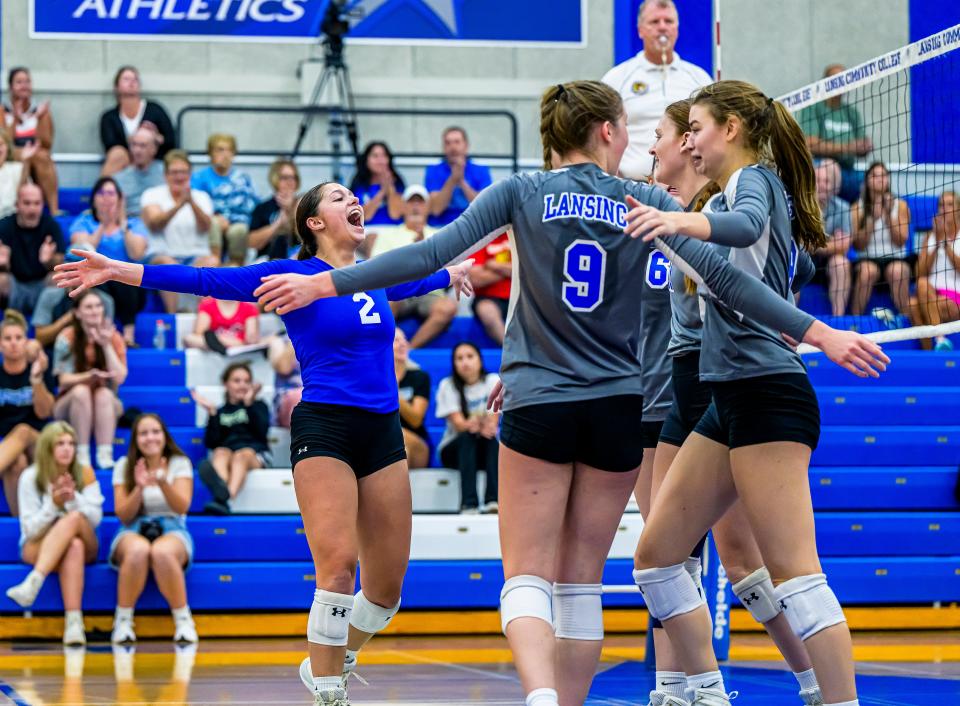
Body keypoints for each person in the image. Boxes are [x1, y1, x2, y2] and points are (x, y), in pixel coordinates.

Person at [249, 80, 885, 706]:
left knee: (531, 577)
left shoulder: (522, 192)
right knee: (595, 581)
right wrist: (819, 330)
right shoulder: (643, 202)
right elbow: (726, 279)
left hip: (543, 396)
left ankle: (551, 696)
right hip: (619, 404)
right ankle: (702, 687)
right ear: (607, 132)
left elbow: (426, 256)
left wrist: (327, 285)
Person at [53, 182, 474, 706]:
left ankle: (331, 656)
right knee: (339, 568)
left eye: (352, 195)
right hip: (325, 425)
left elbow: (412, 283)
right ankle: (328, 691)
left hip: (383, 429)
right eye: (339, 197)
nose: (352, 201)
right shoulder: (292, 274)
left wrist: (449, 275)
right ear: (314, 222)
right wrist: (120, 270)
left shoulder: (375, 276)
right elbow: (205, 278)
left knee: (385, 593)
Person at [624, 79, 878, 706]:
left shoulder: (754, 182)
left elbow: (742, 230)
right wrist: (671, 220)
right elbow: (733, 283)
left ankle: (833, 697)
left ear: (730, 129)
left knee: (795, 573)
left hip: (767, 390)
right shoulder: (718, 194)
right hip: (727, 395)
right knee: (656, 557)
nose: (689, 141)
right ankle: (700, 689)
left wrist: (680, 217)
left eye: (698, 128)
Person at [645, 98, 822, 706]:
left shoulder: (722, 206)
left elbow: (754, 281)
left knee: (736, 558)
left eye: (670, 135)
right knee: (671, 552)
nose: (659, 148)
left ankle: (783, 680)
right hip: (686, 382)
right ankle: (684, 685)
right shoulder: (687, 214)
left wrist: (812, 329)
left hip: (713, 379)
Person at [5, 421, 103, 646]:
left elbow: (95, 518)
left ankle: (34, 581)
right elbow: (29, 529)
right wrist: (52, 504)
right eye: (60, 443)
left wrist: (71, 501)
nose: (67, 448)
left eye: (71, 443)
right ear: (47, 448)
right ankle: (74, 623)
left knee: (76, 520)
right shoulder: (31, 476)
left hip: (86, 539)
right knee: (73, 547)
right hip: (38, 544)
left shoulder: (85, 473)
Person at [109, 412, 197, 644]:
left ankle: (183, 620)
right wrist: (138, 488)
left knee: (162, 552)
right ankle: (123, 621)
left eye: (155, 432)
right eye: (144, 433)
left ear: (164, 435)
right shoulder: (123, 466)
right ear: (136, 439)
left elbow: (181, 507)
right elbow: (123, 514)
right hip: (133, 526)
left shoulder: (180, 463)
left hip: (172, 525)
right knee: (138, 551)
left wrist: (162, 482)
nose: (150, 438)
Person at [601, 0, 712, 180]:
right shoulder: (617, 78)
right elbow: (600, 132)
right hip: (630, 187)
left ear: (677, 28)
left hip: (687, 191)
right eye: (654, 22)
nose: (662, 28)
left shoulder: (699, 78)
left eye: (668, 22)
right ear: (640, 30)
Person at [368, 185, 457, 349]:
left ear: (428, 207)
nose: (415, 206)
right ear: (403, 206)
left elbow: (450, 270)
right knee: (385, 301)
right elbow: (376, 268)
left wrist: (425, 255)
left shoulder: (441, 235)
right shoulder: (388, 235)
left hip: (430, 291)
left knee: (448, 307)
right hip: (397, 291)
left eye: (420, 202)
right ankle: (383, 348)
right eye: (411, 202)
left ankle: (409, 349)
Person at [52, 290, 128, 469]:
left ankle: (105, 454)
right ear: (77, 313)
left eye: (98, 306)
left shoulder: (113, 336)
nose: (94, 311)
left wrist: (106, 345)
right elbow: (62, 380)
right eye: (88, 307)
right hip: (69, 403)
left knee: (102, 394)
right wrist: (89, 376)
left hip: (106, 403)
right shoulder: (66, 337)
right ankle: (81, 454)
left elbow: (120, 377)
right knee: (81, 391)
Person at [69, 177, 149, 345]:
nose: (107, 198)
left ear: (120, 199)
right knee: (99, 280)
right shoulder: (84, 222)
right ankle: (99, 335)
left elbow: (136, 253)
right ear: (94, 199)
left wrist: (123, 224)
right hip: (97, 281)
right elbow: (83, 249)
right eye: (102, 193)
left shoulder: (134, 224)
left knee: (125, 277)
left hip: (128, 283)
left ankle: (128, 336)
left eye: (111, 193)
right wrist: (103, 224)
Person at [141, 151, 219, 313]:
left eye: (183, 172)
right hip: (164, 255)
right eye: (174, 172)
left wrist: (191, 203)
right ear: (165, 175)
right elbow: (155, 224)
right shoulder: (152, 195)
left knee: (212, 262)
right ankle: (174, 315)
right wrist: (179, 205)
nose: (179, 177)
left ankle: (204, 318)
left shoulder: (201, 197)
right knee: (168, 265)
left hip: (196, 256)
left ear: (190, 174)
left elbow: (206, 226)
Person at [193, 362, 271, 515]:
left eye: (247, 381)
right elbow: (211, 443)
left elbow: (262, 433)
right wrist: (212, 414)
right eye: (237, 381)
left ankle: (225, 498)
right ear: (226, 384)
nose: (242, 385)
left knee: (242, 454)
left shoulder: (259, 405)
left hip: (255, 454)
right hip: (229, 454)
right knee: (220, 451)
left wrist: (249, 404)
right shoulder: (220, 411)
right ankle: (221, 492)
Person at [435, 342, 500, 513]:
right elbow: (459, 425)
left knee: (491, 439)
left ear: (480, 360)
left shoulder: (493, 381)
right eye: (459, 358)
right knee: (468, 437)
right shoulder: (447, 385)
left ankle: (493, 501)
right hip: (453, 451)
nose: (465, 362)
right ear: (454, 364)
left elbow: (492, 424)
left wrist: (479, 425)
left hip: (485, 449)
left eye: (470, 356)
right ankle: (469, 503)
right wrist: (478, 424)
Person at [0, 309, 54, 515]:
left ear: (26, 342)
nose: (13, 343)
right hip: (8, 446)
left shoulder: (39, 369)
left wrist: (36, 381)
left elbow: (44, 413)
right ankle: (21, 523)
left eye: (18, 338)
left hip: (38, 442)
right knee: (16, 463)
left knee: (23, 430)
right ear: (0, 344)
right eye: (7, 338)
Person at [799, 65, 872, 203]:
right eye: (835, 79)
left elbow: (861, 145)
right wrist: (847, 148)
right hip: (819, 167)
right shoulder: (813, 107)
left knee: (873, 179)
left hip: (848, 169)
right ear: (824, 82)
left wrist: (865, 146)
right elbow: (810, 143)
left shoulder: (852, 113)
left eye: (843, 79)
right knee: (830, 168)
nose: (839, 83)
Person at [849, 161, 912, 317]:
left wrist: (889, 214)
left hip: (896, 257)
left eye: (883, 175)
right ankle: (856, 321)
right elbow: (858, 246)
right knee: (867, 271)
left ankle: (906, 320)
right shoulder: (857, 207)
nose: (880, 179)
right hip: (867, 258)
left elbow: (901, 240)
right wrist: (871, 218)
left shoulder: (901, 205)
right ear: (867, 181)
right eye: (874, 175)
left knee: (898, 271)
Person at [191, 134, 259, 264]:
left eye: (229, 150)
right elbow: (194, 203)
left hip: (238, 221)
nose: (226, 154)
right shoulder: (199, 178)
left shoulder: (242, 178)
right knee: (214, 223)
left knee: (239, 231)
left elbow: (254, 204)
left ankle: (236, 268)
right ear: (210, 153)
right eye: (220, 150)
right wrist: (214, 215)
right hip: (209, 221)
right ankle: (214, 263)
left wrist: (234, 219)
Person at [0, 182, 65, 317]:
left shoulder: (51, 225)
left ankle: (49, 323)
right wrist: (3, 265)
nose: (32, 209)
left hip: (41, 285)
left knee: (59, 279)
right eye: (27, 203)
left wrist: (49, 261)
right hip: (15, 284)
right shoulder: (4, 226)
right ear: (17, 205)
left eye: (37, 203)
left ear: (43, 205)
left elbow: (60, 263)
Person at [1, 67, 59, 214]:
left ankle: (54, 210)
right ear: (11, 87)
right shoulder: (3, 110)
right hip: (11, 154)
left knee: (42, 156)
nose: (24, 85)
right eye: (19, 82)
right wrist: (14, 118)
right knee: (29, 154)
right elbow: (3, 142)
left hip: (36, 155)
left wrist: (39, 120)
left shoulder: (40, 112)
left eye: (27, 81)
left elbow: (46, 143)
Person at [100, 66, 176, 176]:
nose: (131, 82)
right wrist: (136, 138)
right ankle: (104, 192)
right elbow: (110, 146)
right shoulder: (109, 117)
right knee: (117, 154)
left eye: (135, 79)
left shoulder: (155, 109)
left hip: (154, 160)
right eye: (126, 79)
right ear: (116, 87)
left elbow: (172, 141)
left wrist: (155, 138)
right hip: (124, 164)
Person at [911, 191, 960, 351]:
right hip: (930, 293)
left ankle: (933, 349)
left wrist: (945, 244)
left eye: (949, 204)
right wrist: (938, 240)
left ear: (958, 209)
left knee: (915, 304)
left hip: (954, 296)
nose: (944, 209)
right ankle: (938, 344)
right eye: (941, 205)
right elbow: (920, 272)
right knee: (917, 293)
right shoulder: (930, 236)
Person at [425, 127, 492, 226]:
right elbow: (436, 209)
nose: (452, 147)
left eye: (457, 142)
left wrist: (461, 182)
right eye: (448, 143)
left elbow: (485, 208)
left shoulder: (481, 171)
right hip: (440, 228)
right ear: (443, 147)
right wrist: (452, 180)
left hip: (473, 227)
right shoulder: (433, 171)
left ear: (466, 146)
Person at [814, 159, 853, 317]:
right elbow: (799, 244)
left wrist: (815, 245)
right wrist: (831, 243)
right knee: (790, 261)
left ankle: (839, 318)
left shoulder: (843, 207)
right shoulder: (801, 204)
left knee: (841, 263)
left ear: (833, 186)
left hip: (827, 263)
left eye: (827, 181)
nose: (822, 185)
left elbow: (844, 247)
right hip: (803, 260)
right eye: (818, 180)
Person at [183, 280, 260, 354]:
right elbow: (200, 333)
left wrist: (219, 339)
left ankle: (219, 346)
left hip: (237, 346)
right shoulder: (208, 304)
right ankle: (220, 347)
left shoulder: (249, 307)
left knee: (261, 341)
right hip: (222, 344)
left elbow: (250, 340)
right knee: (189, 338)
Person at [393, 329, 431, 470]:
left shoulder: (419, 377)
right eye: (396, 340)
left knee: (396, 440)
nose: (403, 344)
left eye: (404, 339)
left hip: (417, 441)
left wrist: (394, 393)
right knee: (401, 452)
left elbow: (416, 420)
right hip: (385, 442)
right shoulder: (372, 378)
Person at [249, 158, 300, 260]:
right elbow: (252, 243)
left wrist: (291, 210)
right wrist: (277, 225)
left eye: (293, 177)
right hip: (266, 259)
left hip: (297, 256)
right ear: (275, 179)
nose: (290, 182)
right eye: (285, 178)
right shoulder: (263, 208)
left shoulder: (302, 204)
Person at [469, 231, 512, 346]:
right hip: (487, 297)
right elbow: (476, 279)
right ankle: (510, 350)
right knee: (487, 311)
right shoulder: (480, 240)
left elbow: (528, 270)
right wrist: (511, 270)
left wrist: (494, 265)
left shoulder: (520, 236)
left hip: (520, 296)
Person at [113, 125, 165, 218]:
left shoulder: (167, 173)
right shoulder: (118, 179)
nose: (137, 150)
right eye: (134, 145)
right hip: (130, 224)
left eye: (143, 146)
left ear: (154, 149)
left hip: (159, 223)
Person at [349, 141, 404, 226]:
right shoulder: (359, 184)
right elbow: (363, 217)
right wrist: (382, 192)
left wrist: (390, 187)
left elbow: (396, 215)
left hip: (394, 231)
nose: (380, 161)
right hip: (366, 232)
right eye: (375, 156)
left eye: (384, 156)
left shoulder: (398, 183)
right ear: (366, 160)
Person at [269, 334, 302, 430]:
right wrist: (298, 335)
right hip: (289, 397)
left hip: (315, 392)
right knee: (300, 397)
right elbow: (284, 368)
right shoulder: (279, 342)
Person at [0, 132, 31, 219]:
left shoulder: (18, 168)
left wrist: (26, 162)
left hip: (12, 221)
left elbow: (26, 195)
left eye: (1, 144)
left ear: (7, 148)